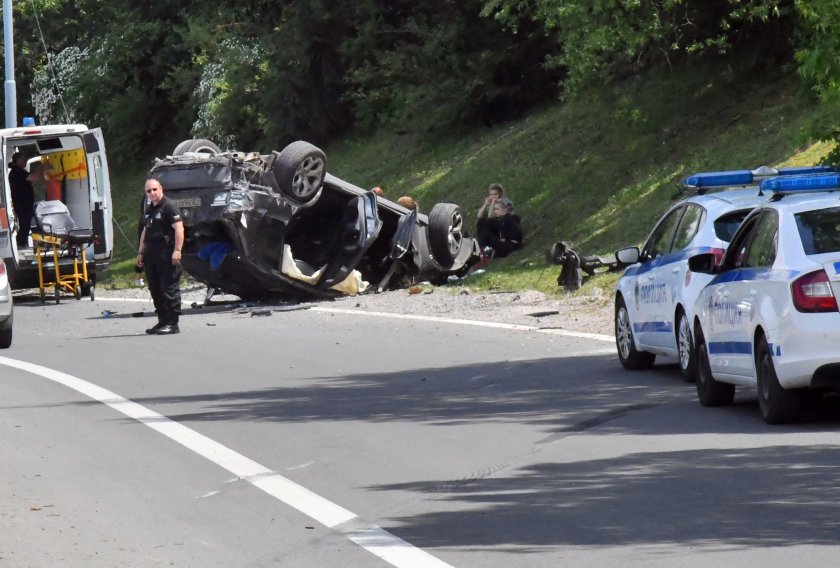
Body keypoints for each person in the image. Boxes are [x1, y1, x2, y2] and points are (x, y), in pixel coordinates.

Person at [136, 178, 184, 335]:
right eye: (149, 191)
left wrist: (177, 250)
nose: (152, 193)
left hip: (166, 255)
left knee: (168, 289)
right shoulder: (149, 209)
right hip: (151, 256)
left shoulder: (169, 207)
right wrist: (141, 252)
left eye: (154, 189)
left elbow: (179, 229)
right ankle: (162, 321)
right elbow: (145, 231)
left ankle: (172, 323)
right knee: (155, 289)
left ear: (161, 188)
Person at [8, 152, 41, 247]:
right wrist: (42, 168)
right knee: (25, 225)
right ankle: (21, 245)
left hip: (22, 203)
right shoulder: (18, 171)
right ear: (18, 160)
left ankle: (22, 244)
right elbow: (34, 178)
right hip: (22, 204)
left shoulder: (16, 171)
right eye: (24, 159)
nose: (26, 161)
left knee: (25, 225)